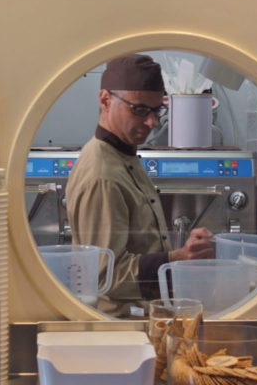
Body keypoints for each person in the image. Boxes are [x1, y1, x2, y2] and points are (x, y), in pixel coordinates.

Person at [66, 54, 214, 316]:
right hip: (120, 329)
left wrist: (183, 255)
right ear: (105, 100)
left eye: (157, 110)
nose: (151, 122)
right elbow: (104, 277)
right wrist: (177, 259)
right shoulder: (101, 175)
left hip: (144, 318)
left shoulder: (123, 156)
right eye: (139, 110)